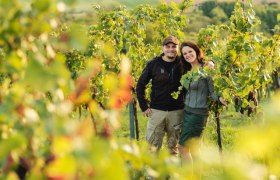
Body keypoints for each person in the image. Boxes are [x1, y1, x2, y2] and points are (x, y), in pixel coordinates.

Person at [178, 41, 227, 161]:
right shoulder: (186, 70)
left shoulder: (206, 68)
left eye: (190, 51)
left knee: (183, 148)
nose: (188, 55)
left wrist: (220, 98)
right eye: (185, 53)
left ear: (196, 51)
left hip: (198, 113)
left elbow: (212, 92)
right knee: (194, 149)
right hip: (187, 111)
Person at [136, 35, 185, 155]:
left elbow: (199, 62)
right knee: (152, 146)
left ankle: (170, 173)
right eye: (167, 47)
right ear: (163, 48)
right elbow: (140, 85)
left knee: (173, 148)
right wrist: (144, 106)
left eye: (174, 47)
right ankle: (152, 174)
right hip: (157, 111)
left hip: (177, 111)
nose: (171, 49)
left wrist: (211, 62)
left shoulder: (183, 63)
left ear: (178, 48)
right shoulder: (153, 64)